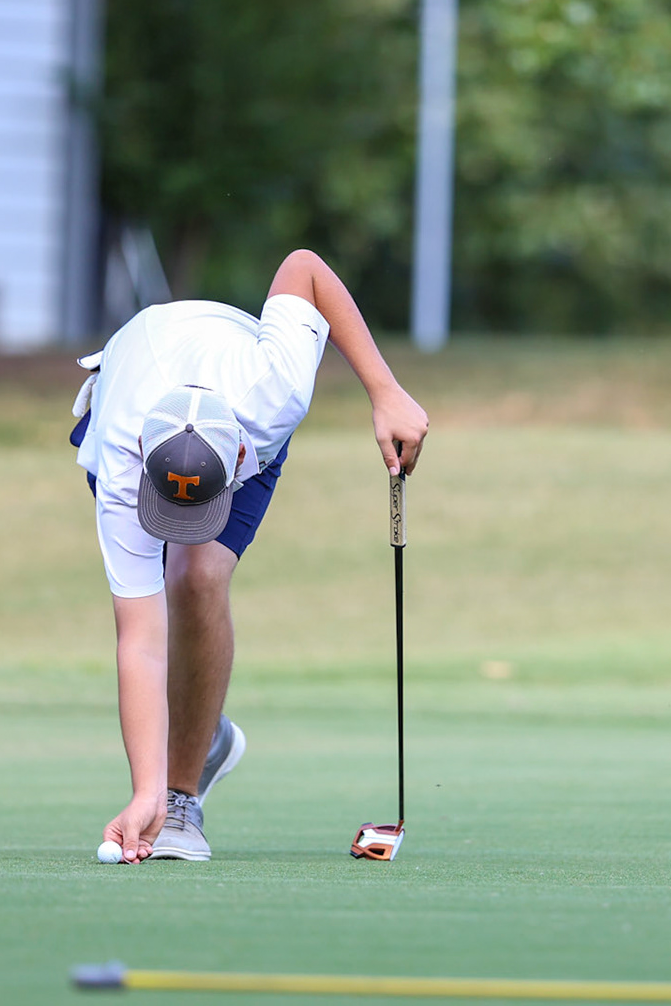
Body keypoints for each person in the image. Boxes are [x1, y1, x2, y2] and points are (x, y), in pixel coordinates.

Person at [69, 250, 428, 863]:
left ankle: (183, 798)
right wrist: (140, 791)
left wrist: (386, 391)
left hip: (228, 394)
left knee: (197, 571)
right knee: (159, 592)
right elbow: (141, 640)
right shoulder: (123, 464)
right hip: (136, 385)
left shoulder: (272, 391)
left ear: (241, 464)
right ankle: (190, 755)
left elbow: (304, 267)